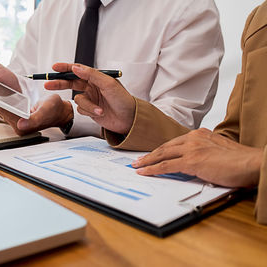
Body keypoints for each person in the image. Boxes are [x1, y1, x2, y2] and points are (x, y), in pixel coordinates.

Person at [48, 1, 267, 224]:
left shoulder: (190, 8)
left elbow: (240, 154)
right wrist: (133, 118)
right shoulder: (260, 21)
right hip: (240, 217)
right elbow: (230, 144)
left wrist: (257, 163)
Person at [0, 0, 224, 140]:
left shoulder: (189, 7)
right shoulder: (52, 6)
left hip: (132, 182)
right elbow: (28, 83)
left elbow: (178, 123)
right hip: (38, 165)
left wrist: (69, 116)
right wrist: (11, 91)